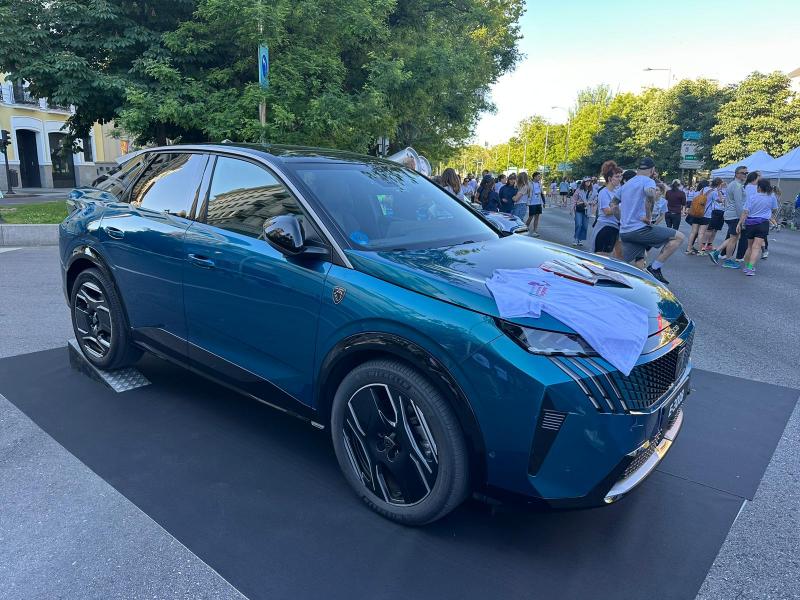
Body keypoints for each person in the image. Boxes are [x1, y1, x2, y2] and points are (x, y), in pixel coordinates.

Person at [618, 157, 685, 284]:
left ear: (638, 168)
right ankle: (654, 268)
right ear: (653, 169)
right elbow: (650, 194)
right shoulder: (648, 181)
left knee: (633, 263)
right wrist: (648, 217)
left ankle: (640, 286)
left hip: (625, 231)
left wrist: (622, 221)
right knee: (679, 237)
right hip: (639, 229)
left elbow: (613, 204)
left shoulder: (627, 185)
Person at [738, 178, 778, 276]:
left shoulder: (752, 197)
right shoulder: (772, 196)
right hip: (763, 223)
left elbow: (745, 212)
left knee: (749, 247)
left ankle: (746, 267)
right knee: (756, 248)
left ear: (759, 187)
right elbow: (775, 209)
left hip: (750, 223)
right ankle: (750, 268)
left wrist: (739, 223)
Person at [710, 166, 747, 268]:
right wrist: (741, 219)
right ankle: (728, 260)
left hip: (731, 214)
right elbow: (738, 203)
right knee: (734, 238)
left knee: (734, 237)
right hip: (735, 215)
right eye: (743, 173)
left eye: (746, 173)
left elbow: (728, 200)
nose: (745, 175)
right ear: (737, 174)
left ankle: (716, 252)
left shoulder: (734, 184)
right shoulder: (737, 185)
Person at [593, 160, 623, 258]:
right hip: (605, 227)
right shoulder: (604, 192)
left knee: (619, 256)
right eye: (617, 176)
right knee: (601, 257)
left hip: (615, 227)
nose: (620, 179)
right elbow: (607, 211)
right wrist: (621, 206)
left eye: (620, 176)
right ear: (610, 178)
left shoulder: (617, 192)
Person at [684, 180, 710, 255]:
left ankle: (688, 249)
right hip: (705, 215)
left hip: (696, 214)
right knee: (701, 233)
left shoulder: (696, 193)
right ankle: (700, 251)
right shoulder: (711, 193)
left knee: (693, 232)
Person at [700, 178, 725, 252]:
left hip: (718, 211)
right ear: (719, 184)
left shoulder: (705, 189)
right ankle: (703, 245)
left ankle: (709, 244)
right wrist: (719, 191)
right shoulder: (714, 191)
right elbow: (721, 200)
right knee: (709, 230)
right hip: (713, 211)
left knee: (715, 229)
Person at [571, 179, 591, 246]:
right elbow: (574, 199)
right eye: (587, 181)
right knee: (578, 224)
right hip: (579, 209)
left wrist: (591, 202)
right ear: (584, 182)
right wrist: (572, 209)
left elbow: (595, 199)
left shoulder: (592, 190)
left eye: (589, 181)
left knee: (585, 226)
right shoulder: (579, 190)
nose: (588, 182)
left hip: (587, 210)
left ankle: (580, 239)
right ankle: (576, 239)